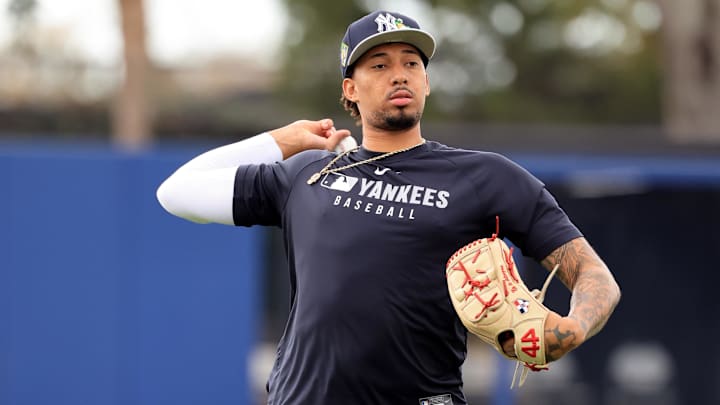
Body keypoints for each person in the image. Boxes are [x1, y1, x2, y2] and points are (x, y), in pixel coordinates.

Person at [156, 10, 621, 405]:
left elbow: (594, 276)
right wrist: (282, 141)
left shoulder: (485, 177)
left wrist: (574, 328)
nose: (399, 74)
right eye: (378, 65)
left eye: (411, 63)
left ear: (426, 82)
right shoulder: (307, 173)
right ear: (350, 90)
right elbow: (176, 192)